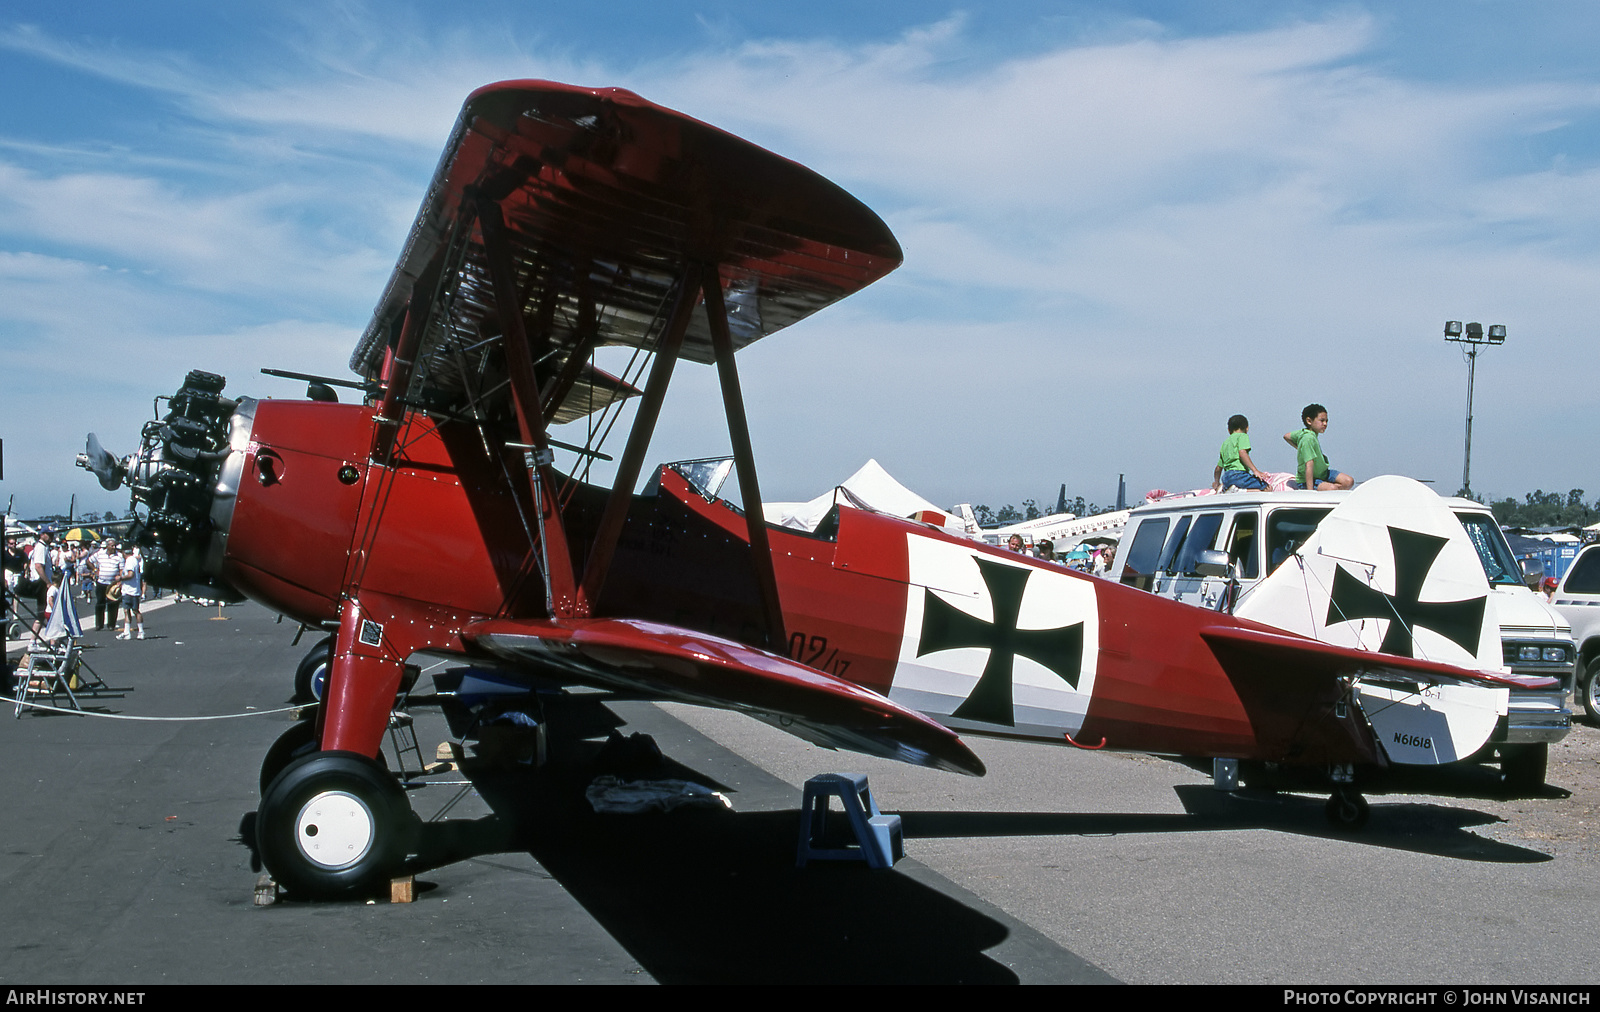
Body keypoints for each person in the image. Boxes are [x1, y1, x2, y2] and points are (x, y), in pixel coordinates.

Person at [1283, 403, 1355, 491]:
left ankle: (1324, 486)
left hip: (1323, 474)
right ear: (1309, 421)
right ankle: (1322, 488)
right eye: (1322, 420)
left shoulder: (1303, 432)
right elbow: (1309, 465)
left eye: (1326, 421)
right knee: (1332, 489)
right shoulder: (1307, 438)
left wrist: (1300, 449)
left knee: (1349, 481)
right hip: (1309, 479)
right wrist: (1310, 492)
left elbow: (1287, 436)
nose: (1325, 424)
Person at [1212, 414, 1271, 492]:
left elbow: (1218, 468)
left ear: (1229, 430)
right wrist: (1255, 470)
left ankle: (1225, 488)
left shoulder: (1225, 443)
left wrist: (1216, 482)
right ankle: (1238, 491)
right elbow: (1242, 453)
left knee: (1253, 489)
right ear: (1247, 428)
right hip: (1239, 475)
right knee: (1267, 488)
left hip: (1226, 478)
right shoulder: (1243, 436)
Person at [118, 547, 145, 640]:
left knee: (133, 611)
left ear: (124, 553)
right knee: (128, 611)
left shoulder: (129, 561)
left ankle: (140, 631)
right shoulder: (133, 560)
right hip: (131, 589)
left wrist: (120, 578)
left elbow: (130, 574)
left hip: (130, 590)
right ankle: (127, 632)